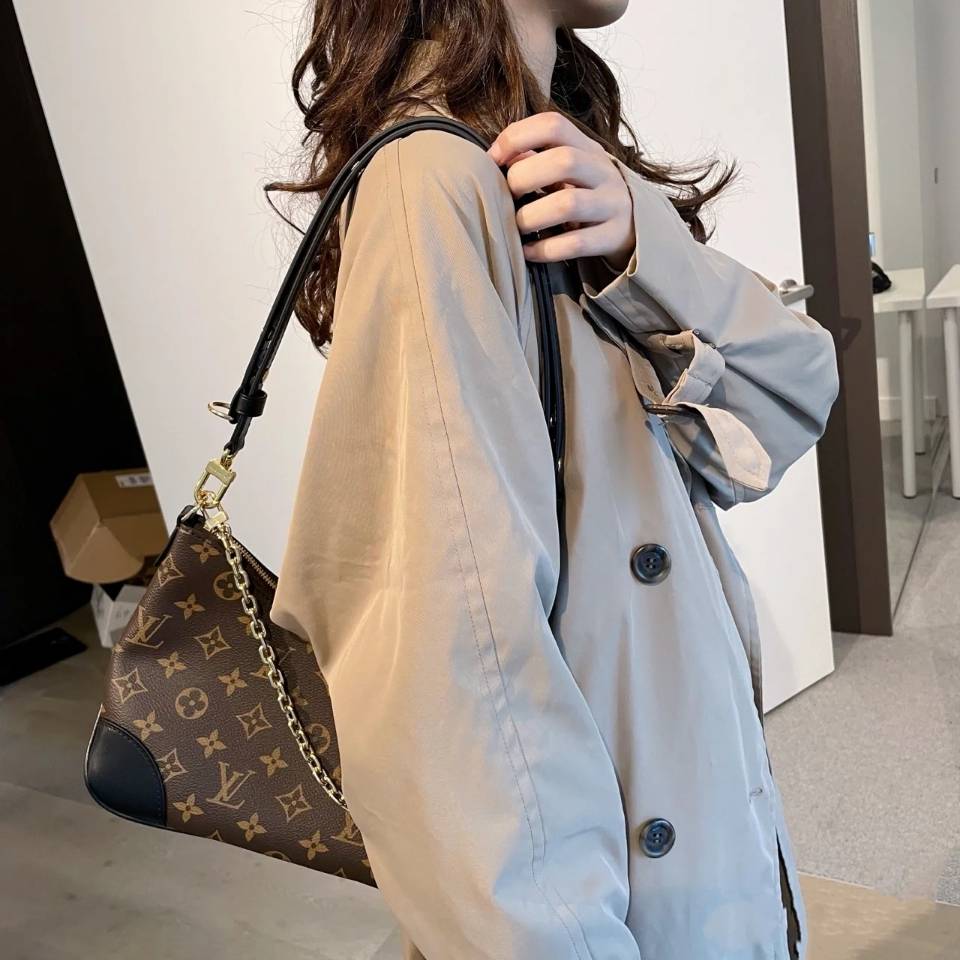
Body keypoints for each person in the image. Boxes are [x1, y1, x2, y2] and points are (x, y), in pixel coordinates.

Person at [267, 4, 840, 959]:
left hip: (695, 849)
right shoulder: (432, 181)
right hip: (614, 908)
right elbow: (450, 693)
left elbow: (793, 394)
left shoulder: (557, 167)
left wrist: (645, 241)